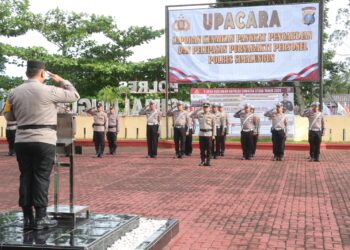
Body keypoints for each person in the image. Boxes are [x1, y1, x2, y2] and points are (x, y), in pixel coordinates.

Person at [3, 60, 80, 230]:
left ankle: (27, 217)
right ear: (43, 73)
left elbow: (8, 116)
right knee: (41, 177)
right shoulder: (49, 90)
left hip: (22, 140)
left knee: (25, 176)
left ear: (27, 73)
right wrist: (62, 81)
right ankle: (40, 218)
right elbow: (75, 96)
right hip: (44, 140)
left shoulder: (13, 92)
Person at [191, 102, 216, 166]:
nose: (205, 108)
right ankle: (202, 161)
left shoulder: (212, 115)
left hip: (209, 134)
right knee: (202, 149)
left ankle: (208, 161)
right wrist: (198, 109)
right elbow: (191, 115)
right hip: (201, 134)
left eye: (207, 107)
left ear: (209, 108)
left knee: (209, 149)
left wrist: (213, 135)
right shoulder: (199, 114)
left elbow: (214, 126)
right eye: (204, 107)